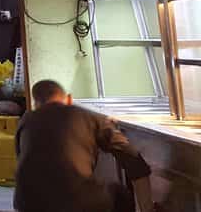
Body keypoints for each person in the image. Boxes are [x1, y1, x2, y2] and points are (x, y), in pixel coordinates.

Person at [14, 79, 154, 212]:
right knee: (121, 196)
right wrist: (147, 208)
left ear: (35, 104)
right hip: (76, 201)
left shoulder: (26, 121)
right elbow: (132, 158)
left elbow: (22, 162)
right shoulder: (88, 116)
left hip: (26, 203)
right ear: (69, 99)